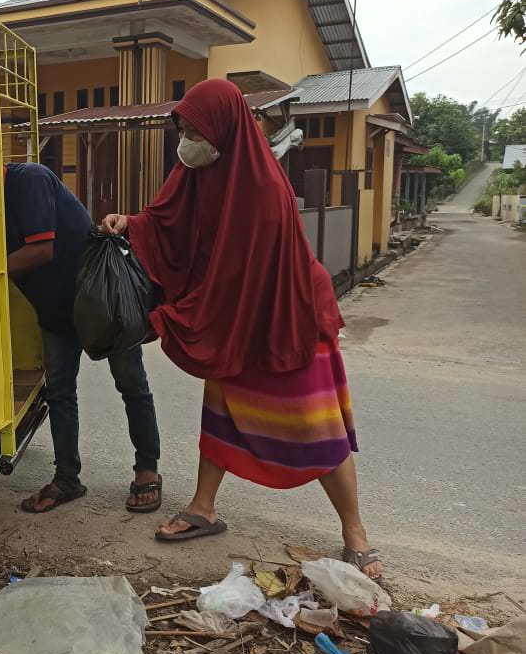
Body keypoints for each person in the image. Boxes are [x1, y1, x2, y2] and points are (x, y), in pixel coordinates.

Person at [102, 79, 381, 578]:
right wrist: (132, 223)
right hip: (235, 317)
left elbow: (238, 275)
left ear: (224, 128)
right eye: (182, 128)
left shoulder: (265, 191)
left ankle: (354, 532)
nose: (185, 139)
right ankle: (203, 508)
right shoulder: (197, 172)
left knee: (317, 427)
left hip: (285, 318)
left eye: (194, 129)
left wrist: (177, 318)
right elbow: (167, 220)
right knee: (224, 414)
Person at [0, 126, 163, 514]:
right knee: (59, 392)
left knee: (131, 385)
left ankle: (147, 472)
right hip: (55, 311)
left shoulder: (31, 179)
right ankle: (67, 478)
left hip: (100, 299)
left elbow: (40, 251)